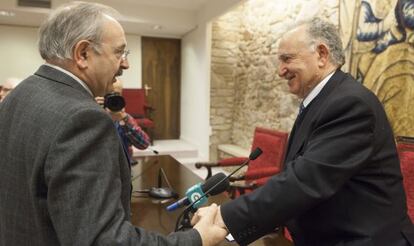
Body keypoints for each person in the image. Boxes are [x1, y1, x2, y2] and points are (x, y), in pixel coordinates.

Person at [0, 2, 226, 246]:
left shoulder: (17, 95)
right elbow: (103, 240)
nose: (126, 64)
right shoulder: (83, 119)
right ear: (83, 53)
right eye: (120, 52)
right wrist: (196, 239)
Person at [194, 17, 414, 245]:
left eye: (287, 59)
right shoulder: (323, 100)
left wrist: (223, 218)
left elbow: (305, 181)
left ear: (321, 54)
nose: (280, 71)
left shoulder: (351, 103)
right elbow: (297, 175)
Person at [95, 79, 150, 164]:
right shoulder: (93, 115)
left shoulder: (125, 118)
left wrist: (124, 119)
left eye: (116, 94)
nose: (112, 98)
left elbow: (144, 144)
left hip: (122, 168)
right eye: (108, 94)